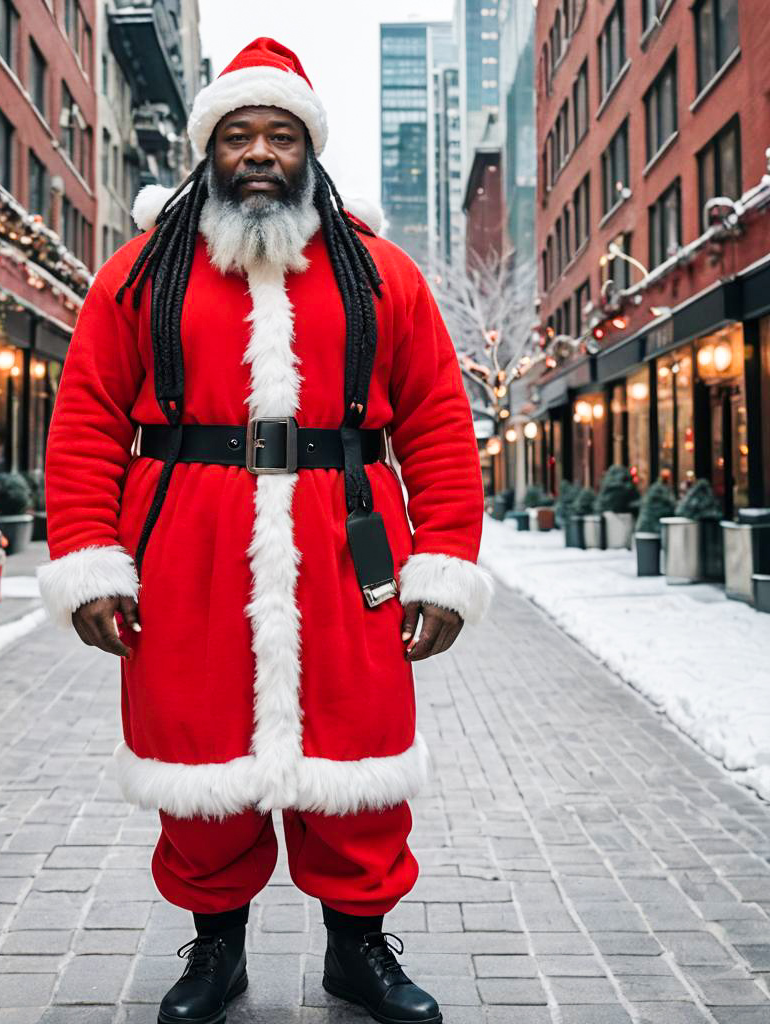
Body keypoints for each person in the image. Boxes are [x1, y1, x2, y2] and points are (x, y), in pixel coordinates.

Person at [38, 37, 492, 1024]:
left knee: (359, 753)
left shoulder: (383, 275)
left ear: (308, 152)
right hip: (183, 548)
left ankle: (357, 949)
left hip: (347, 539)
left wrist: (444, 562)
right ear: (208, 150)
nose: (256, 152)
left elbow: (435, 423)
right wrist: (87, 559)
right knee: (197, 749)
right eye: (237, 134)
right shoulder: (137, 273)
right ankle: (215, 950)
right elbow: (84, 420)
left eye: (278, 135)